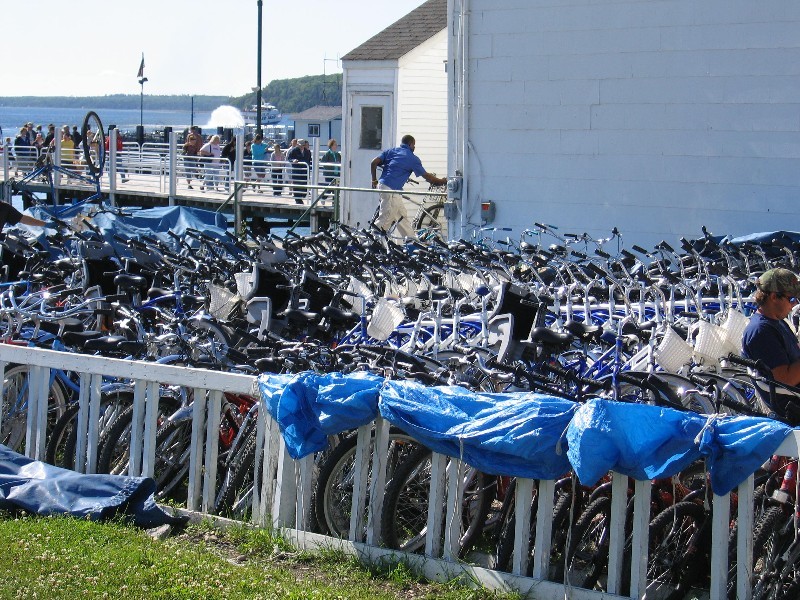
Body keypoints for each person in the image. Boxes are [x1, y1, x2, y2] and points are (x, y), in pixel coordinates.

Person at [742, 268, 800, 421]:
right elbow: (785, 380)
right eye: (792, 299)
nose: (793, 305)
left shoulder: (777, 321)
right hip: (793, 405)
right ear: (774, 297)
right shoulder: (761, 331)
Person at [369, 134, 447, 238]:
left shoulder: (391, 151)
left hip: (384, 185)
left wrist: (374, 180)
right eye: (414, 145)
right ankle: (369, 242)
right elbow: (428, 177)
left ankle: (412, 242)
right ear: (410, 144)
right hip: (391, 189)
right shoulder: (412, 158)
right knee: (385, 218)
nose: (414, 147)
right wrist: (442, 181)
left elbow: (374, 162)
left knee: (401, 217)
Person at [287, 138, 310, 204]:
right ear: (297, 145)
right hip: (297, 171)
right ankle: (298, 200)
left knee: (304, 186)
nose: (302, 147)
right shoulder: (294, 150)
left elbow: (308, 161)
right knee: (297, 186)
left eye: (303, 145)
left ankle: (301, 197)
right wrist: (293, 160)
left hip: (304, 171)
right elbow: (289, 158)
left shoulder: (307, 152)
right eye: (300, 145)